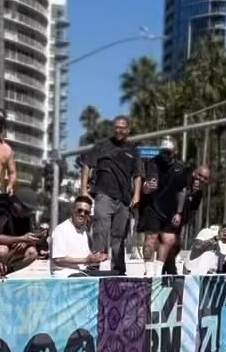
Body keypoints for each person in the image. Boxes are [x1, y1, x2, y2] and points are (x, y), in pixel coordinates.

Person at [81, 115, 142, 274]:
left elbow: (138, 175)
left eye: (122, 128)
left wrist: (136, 196)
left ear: (128, 130)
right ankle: (94, 265)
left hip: (124, 199)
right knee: (101, 229)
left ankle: (118, 268)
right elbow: (87, 165)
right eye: (116, 127)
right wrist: (83, 190)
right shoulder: (102, 146)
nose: (119, 130)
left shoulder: (133, 151)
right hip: (104, 194)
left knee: (119, 235)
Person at [140, 140, 210, 274]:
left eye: (205, 178)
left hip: (175, 220)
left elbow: (192, 212)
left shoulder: (199, 193)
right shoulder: (181, 175)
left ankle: (165, 270)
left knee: (174, 245)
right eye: (199, 175)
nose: (201, 179)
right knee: (154, 239)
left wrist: (181, 219)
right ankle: (151, 272)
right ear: (194, 173)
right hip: (161, 212)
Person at [50, 195, 108, 277]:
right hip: (65, 274)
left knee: (112, 276)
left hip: (82, 272)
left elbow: (85, 257)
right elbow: (58, 259)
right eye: (79, 210)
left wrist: (96, 257)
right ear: (72, 210)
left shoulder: (84, 230)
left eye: (86, 212)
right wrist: (85, 260)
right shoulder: (61, 230)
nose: (82, 214)